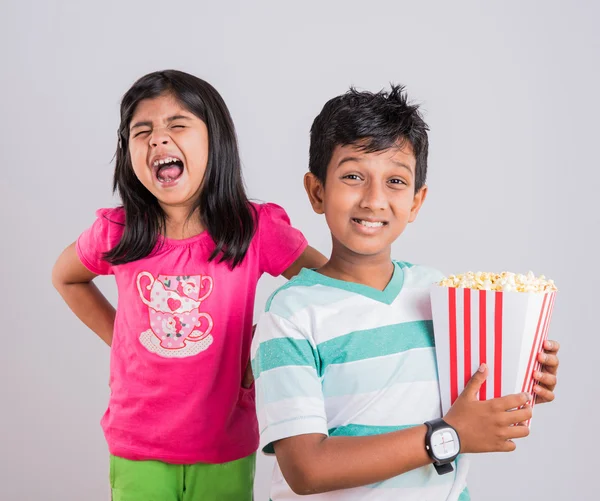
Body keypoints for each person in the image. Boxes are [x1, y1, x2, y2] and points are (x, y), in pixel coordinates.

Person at [251, 85, 561, 500]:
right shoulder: (289, 314)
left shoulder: (440, 294)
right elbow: (306, 469)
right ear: (317, 191)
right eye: (353, 176)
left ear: (416, 202)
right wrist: (447, 435)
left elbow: (466, 407)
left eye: (395, 181)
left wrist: (518, 381)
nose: (374, 199)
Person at [52, 69, 326, 501]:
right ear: (128, 153)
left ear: (215, 140)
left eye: (177, 125)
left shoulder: (254, 229)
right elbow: (66, 276)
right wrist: (122, 338)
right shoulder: (117, 232)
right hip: (136, 443)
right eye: (142, 131)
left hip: (225, 442)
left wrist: (266, 346)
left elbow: (325, 286)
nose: (159, 139)